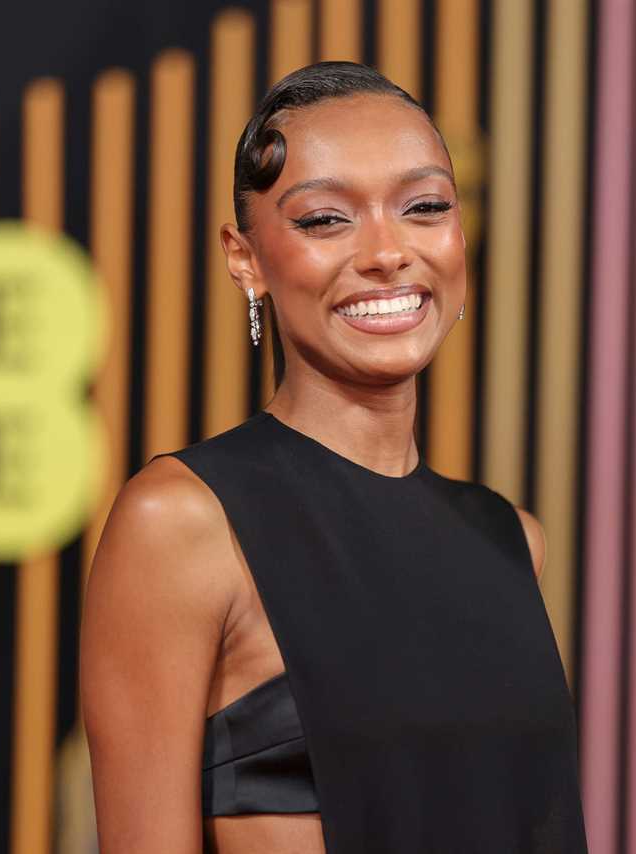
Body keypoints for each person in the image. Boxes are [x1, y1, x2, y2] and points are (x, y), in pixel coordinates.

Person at [80, 60, 588, 854]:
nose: (388, 252)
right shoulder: (182, 522)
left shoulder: (511, 539)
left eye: (425, 207)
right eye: (325, 220)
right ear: (244, 257)